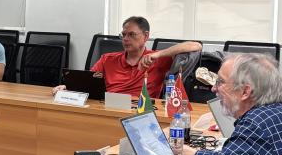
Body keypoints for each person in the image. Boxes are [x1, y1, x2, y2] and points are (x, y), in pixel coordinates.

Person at [54, 16, 202, 97]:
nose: (126, 39)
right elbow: (88, 82)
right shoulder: (108, 59)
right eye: (123, 35)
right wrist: (68, 87)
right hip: (108, 108)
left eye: (131, 35)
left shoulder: (157, 60)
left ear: (145, 36)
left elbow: (196, 46)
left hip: (140, 111)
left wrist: (158, 54)